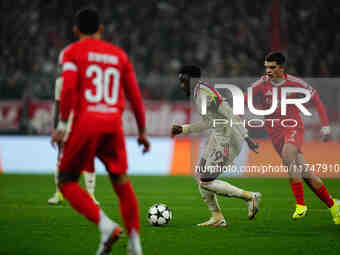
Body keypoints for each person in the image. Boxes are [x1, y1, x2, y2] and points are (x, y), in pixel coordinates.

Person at [51, 8, 150, 255]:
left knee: (66, 180)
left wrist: (62, 125)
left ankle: (107, 227)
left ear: (76, 30)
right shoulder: (119, 55)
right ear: (101, 30)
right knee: (121, 181)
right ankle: (135, 243)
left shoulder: (72, 52)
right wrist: (142, 131)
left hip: (86, 123)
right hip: (113, 125)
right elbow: (135, 95)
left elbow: (69, 89)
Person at [245, 51, 340, 223]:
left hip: (293, 128)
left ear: (281, 68)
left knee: (289, 155)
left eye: (272, 67)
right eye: (266, 67)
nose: (268, 71)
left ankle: (301, 204)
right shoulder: (262, 83)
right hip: (275, 133)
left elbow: (316, 99)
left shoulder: (295, 83)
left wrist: (325, 126)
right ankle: (334, 206)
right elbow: (244, 98)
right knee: (306, 174)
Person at [171, 65, 261, 227]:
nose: (181, 84)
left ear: (192, 80)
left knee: (206, 180)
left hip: (228, 138)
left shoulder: (205, 94)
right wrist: (184, 129)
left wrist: (246, 136)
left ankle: (250, 197)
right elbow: (208, 122)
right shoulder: (199, 93)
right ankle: (217, 217)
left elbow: (230, 113)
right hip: (217, 135)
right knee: (201, 175)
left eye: (183, 80)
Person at [48, 75, 99, 205]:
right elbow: (58, 107)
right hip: (66, 126)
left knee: (88, 159)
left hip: (85, 124)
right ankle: (59, 193)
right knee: (61, 159)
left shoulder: (88, 78)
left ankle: (90, 195)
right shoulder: (60, 81)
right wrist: (56, 129)